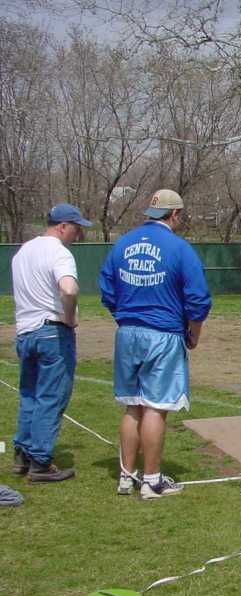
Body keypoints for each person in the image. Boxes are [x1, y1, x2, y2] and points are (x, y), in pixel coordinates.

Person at [99, 189, 211, 499]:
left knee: (132, 404)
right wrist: (194, 334)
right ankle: (151, 480)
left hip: (128, 333)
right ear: (175, 215)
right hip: (162, 334)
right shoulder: (179, 249)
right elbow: (198, 299)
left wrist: (124, 317)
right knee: (156, 407)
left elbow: (107, 289)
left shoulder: (123, 244)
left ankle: (126, 476)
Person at [11, 203, 93, 482]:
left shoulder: (23, 251)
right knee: (51, 396)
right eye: (76, 228)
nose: (77, 234)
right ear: (62, 226)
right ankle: (40, 461)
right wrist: (69, 317)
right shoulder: (59, 252)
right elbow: (68, 289)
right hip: (52, 332)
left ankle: (22, 454)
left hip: (25, 332)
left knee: (29, 395)